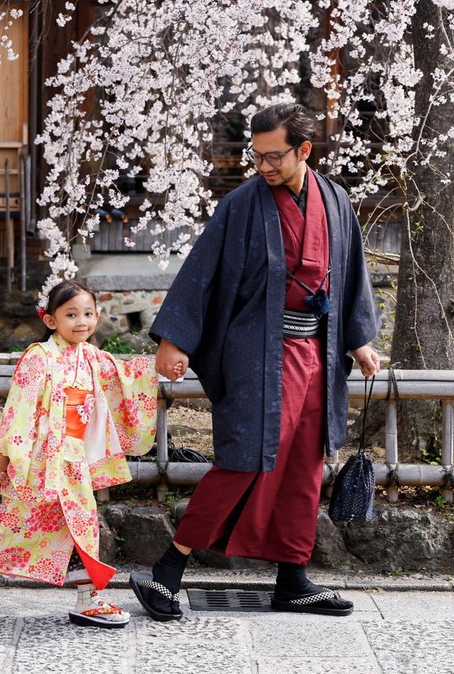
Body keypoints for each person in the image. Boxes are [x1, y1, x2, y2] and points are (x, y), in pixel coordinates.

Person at [130, 102, 381, 621]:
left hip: (319, 351)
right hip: (258, 352)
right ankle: (167, 571)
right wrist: (175, 339)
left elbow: (351, 273)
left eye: (274, 157)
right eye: (256, 155)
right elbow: (204, 271)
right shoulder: (242, 205)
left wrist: (359, 339)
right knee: (244, 459)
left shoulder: (336, 200)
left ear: (304, 150)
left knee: (305, 464)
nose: (262, 166)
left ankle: (293, 578)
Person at [0, 279, 160, 629]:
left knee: (84, 526)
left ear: (98, 317)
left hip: (75, 458)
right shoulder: (39, 357)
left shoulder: (93, 358)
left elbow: (126, 376)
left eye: (88, 313)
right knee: (13, 524)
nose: (81, 321)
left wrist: (159, 366)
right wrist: (6, 454)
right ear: (51, 320)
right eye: (71, 314)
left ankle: (89, 598)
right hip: (40, 461)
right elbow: (20, 407)